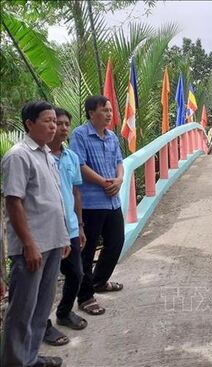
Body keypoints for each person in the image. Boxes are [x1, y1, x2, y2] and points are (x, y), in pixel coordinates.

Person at [2, 101, 70, 367]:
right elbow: (13, 201)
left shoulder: (46, 154)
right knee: (21, 311)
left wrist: (63, 236)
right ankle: (15, 363)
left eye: (55, 120)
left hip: (53, 242)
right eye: (47, 121)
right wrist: (28, 244)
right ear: (29, 124)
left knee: (41, 308)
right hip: (33, 247)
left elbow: (54, 200)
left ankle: (29, 359)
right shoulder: (19, 156)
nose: (54, 126)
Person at [70, 95, 125, 316]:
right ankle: (84, 297)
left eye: (110, 110)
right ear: (91, 113)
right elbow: (79, 165)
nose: (109, 114)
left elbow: (119, 162)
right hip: (91, 202)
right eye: (105, 110)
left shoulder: (112, 137)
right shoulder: (80, 135)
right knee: (87, 250)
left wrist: (119, 180)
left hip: (113, 201)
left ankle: (99, 281)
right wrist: (103, 182)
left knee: (116, 242)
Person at [43, 108, 88, 347]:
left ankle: (64, 312)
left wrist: (80, 225)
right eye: (56, 122)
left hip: (70, 227)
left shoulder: (70, 157)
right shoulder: (40, 156)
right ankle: (43, 326)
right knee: (46, 282)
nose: (61, 127)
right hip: (47, 231)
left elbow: (75, 193)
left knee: (76, 274)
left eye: (65, 124)